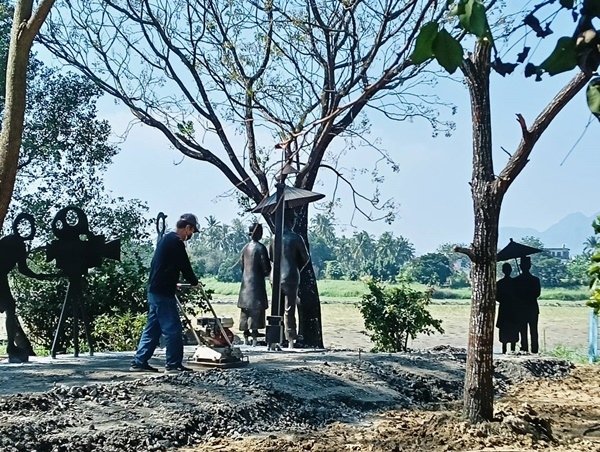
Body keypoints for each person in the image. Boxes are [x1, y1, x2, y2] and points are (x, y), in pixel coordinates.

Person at [130, 213, 200, 373]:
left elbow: (163, 267)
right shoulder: (176, 242)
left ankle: (139, 361)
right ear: (188, 228)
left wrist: (172, 282)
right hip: (162, 293)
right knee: (173, 328)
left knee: (153, 328)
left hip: (155, 289)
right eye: (191, 232)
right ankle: (173, 364)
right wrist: (194, 282)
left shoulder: (166, 240)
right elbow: (185, 266)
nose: (190, 236)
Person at [0, 214, 49, 362]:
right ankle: (10, 346)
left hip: (2, 277)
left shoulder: (19, 244)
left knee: (10, 308)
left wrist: (37, 276)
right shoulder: (10, 241)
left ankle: (10, 346)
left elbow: (23, 269)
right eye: (31, 226)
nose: (33, 230)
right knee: (10, 307)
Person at [270, 212, 309, 349]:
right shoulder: (296, 238)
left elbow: (272, 257)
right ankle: (291, 338)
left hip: (275, 277)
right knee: (289, 309)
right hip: (290, 276)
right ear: (290, 221)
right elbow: (306, 257)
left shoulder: (274, 238)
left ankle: (276, 339)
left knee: (277, 309)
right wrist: (296, 267)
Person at [238, 223, 271, 346]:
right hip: (256, 285)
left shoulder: (245, 248)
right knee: (256, 312)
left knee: (245, 312)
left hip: (245, 285)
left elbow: (242, 267)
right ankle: (254, 337)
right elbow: (266, 268)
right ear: (258, 233)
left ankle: (246, 337)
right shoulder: (261, 248)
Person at [514, 256, 541, 354]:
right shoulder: (535, 280)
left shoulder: (516, 280)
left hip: (521, 308)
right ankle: (534, 349)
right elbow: (537, 294)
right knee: (533, 330)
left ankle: (524, 348)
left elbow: (515, 294)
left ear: (521, 266)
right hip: (532, 308)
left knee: (523, 331)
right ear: (529, 266)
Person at [496, 263, 519, 354]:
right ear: (510, 271)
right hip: (513, 309)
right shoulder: (516, 283)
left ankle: (504, 350)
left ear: (503, 271)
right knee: (513, 329)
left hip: (504, 308)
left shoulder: (499, 283)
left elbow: (497, 297)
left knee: (504, 330)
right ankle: (512, 350)